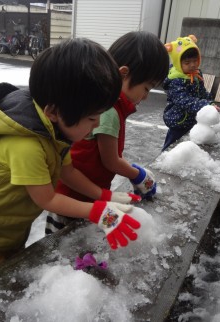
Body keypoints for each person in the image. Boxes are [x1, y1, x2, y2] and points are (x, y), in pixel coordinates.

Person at [0, 38, 143, 287]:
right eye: (91, 118)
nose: (97, 125)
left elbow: (68, 172)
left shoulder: (54, 131)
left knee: (9, 285)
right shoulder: (27, 144)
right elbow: (47, 199)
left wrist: (105, 196)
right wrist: (98, 212)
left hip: (7, 228)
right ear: (53, 111)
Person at [46, 31, 169, 235]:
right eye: (146, 88)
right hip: (73, 199)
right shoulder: (109, 110)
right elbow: (110, 160)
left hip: (87, 193)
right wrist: (138, 175)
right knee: (63, 248)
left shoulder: (111, 107)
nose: (146, 97)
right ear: (124, 74)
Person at [161, 34, 218, 151]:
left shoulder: (196, 75)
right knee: (171, 148)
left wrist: (210, 103)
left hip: (193, 121)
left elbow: (202, 92)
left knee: (188, 148)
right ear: (178, 63)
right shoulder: (175, 81)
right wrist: (204, 105)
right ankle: (163, 161)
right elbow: (184, 101)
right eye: (187, 62)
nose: (193, 65)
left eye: (195, 61)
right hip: (178, 122)